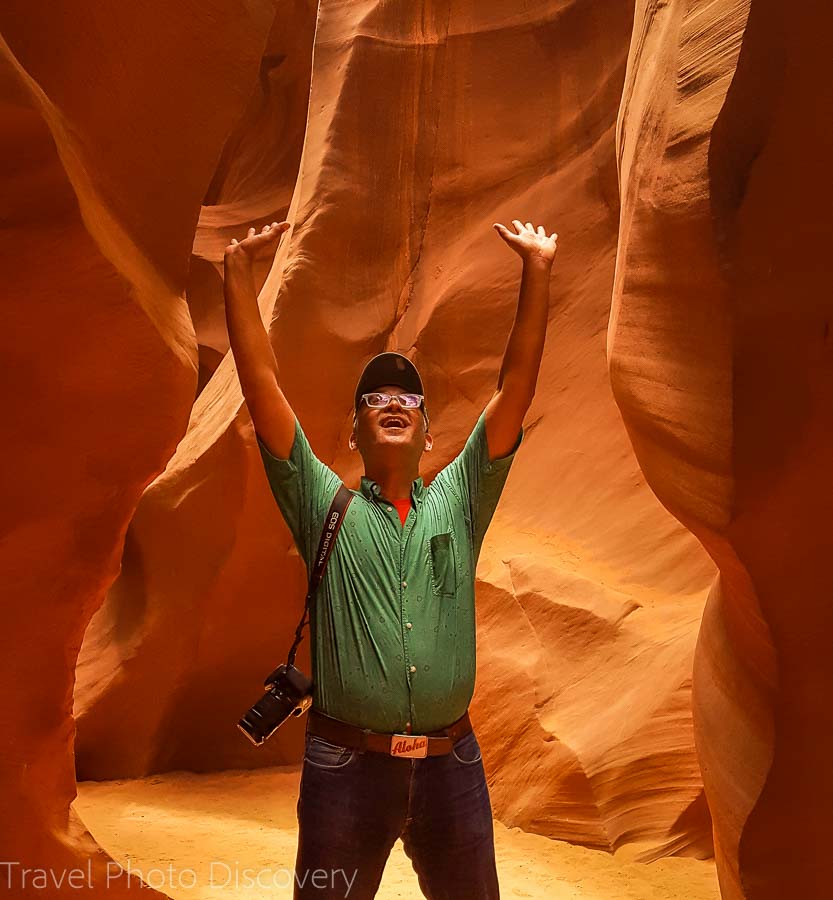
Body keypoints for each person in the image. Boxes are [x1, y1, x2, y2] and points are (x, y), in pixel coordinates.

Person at [224, 218, 558, 899]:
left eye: (408, 398)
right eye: (374, 398)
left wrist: (538, 270)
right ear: (354, 429)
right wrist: (236, 277)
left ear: (429, 432)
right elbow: (262, 390)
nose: (393, 404)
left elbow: (514, 388)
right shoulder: (324, 504)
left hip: (450, 765)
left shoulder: (460, 498)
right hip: (346, 765)